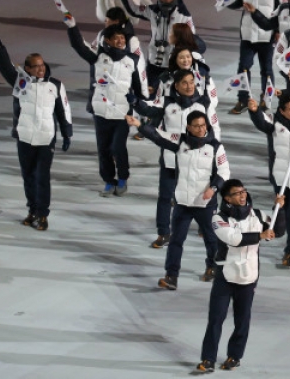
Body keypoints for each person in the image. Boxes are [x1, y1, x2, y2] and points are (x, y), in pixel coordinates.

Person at [128, 111, 229, 289]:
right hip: (183, 203)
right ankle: (171, 276)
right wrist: (139, 125)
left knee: (211, 239)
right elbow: (158, 136)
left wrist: (213, 189)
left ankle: (212, 267)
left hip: (205, 203)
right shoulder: (179, 140)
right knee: (176, 241)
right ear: (188, 127)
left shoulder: (216, 147)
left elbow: (224, 172)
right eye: (196, 126)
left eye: (203, 125)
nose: (201, 129)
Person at [195, 179, 280, 373]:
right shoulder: (218, 219)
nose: (242, 196)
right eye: (237, 193)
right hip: (225, 276)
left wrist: (279, 209)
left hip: (249, 276)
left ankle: (235, 356)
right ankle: (208, 359)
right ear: (227, 198)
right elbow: (234, 240)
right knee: (215, 319)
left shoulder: (258, 215)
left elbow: (279, 230)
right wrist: (260, 236)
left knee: (242, 320)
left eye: (243, 192)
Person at [130, 69, 221, 249]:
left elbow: (213, 128)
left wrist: (215, 151)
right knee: (165, 197)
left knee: (206, 195)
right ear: (176, 86)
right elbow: (147, 108)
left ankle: (208, 227)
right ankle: (163, 232)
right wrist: (134, 101)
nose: (189, 86)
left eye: (191, 82)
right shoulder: (166, 102)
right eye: (184, 83)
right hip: (171, 158)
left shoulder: (203, 102)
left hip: (198, 161)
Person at [0, 31, 72, 231]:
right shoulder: (20, 82)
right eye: (35, 66)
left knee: (41, 178)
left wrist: (66, 133)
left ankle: (43, 215)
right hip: (25, 138)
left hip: (46, 138)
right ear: (27, 68)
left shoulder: (55, 85)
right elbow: (5, 66)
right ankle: (32, 210)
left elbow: (64, 109)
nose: (40, 68)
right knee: (28, 176)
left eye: (42, 64)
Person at [66, 18, 147, 196]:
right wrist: (72, 26)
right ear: (107, 41)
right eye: (116, 38)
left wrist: (142, 104)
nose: (120, 41)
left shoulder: (132, 60)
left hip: (122, 114)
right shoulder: (97, 57)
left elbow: (139, 86)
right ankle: (109, 181)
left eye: (122, 38)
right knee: (103, 149)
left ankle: (123, 178)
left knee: (117, 148)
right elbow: (79, 46)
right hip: (101, 113)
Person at [247, 93, 290, 267]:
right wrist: (255, 111)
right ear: (282, 111)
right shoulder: (274, 123)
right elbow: (261, 122)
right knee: (286, 213)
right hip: (280, 179)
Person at [227, 0, 287, 114]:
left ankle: (266, 100)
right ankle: (243, 99)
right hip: (247, 34)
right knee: (243, 68)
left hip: (267, 35)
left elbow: (284, 9)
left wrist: (279, 30)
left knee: (266, 69)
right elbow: (234, 4)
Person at [118, 0, 197, 93]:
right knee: (148, 92)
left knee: (171, 93)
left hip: (173, 63)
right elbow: (134, 9)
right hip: (154, 61)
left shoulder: (183, 15)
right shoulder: (152, 10)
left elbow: (191, 37)